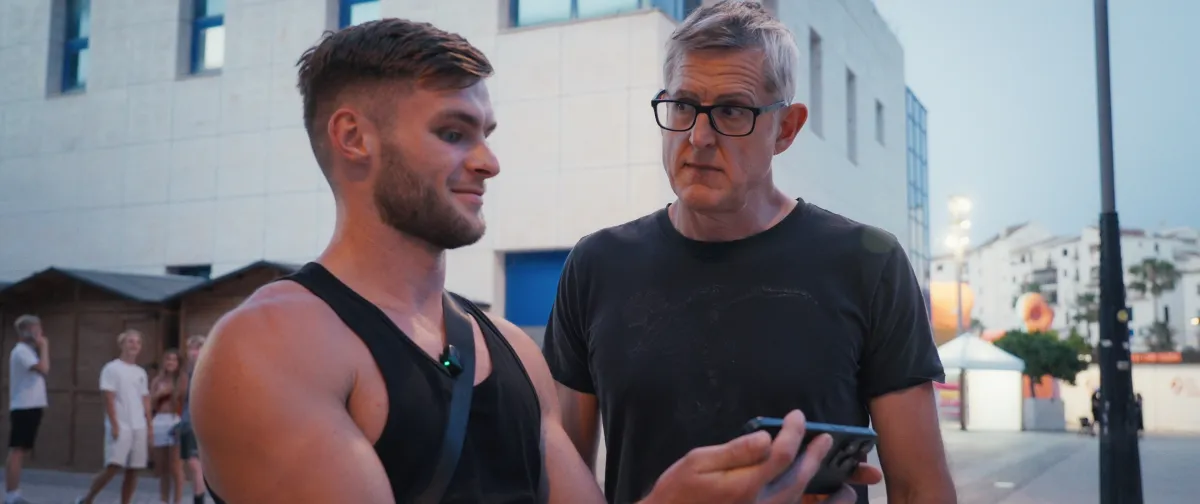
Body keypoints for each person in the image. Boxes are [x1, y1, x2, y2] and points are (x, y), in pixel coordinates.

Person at [188, 17, 879, 504]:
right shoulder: (270, 347)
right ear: (353, 137)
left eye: (485, 133)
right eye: (453, 133)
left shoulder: (511, 351)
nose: (488, 162)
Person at [541, 2, 955, 504]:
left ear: (786, 128)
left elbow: (920, 488)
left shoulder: (869, 265)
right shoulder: (596, 266)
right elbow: (558, 485)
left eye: (732, 111)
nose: (698, 137)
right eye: (683, 106)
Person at [75, 330, 152, 504]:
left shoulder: (140, 372)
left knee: (134, 469)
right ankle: (88, 498)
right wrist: (114, 424)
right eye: (130, 341)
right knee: (113, 466)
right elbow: (108, 397)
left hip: (138, 425)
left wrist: (149, 426)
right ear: (122, 344)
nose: (134, 345)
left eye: (137, 342)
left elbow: (145, 399)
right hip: (121, 424)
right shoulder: (112, 368)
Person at [6, 315, 49, 504]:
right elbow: (44, 368)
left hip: (32, 406)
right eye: (36, 329)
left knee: (21, 450)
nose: (40, 333)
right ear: (27, 331)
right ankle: (11, 494)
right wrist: (44, 346)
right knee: (17, 450)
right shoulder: (21, 351)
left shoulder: (28, 351)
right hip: (24, 406)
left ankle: (15, 492)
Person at [175, 336, 210, 504]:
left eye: (198, 348)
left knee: (196, 465)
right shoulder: (187, 372)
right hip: (189, 423)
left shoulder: (207, 371)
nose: (194, 352)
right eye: (191, 348)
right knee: (195, 465)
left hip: (198, 423)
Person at [150, 350, 187, 504]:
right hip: (159, 421)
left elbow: (185, 401)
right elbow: (150, 403)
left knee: (175, 466)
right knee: (162, 467)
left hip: (175, 420)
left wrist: (173, 392)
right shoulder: (157, 380)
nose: (170, 362)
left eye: (174, 360)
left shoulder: (182, 379)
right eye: (168, 359)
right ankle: (163, 500)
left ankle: (177, 501)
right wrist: (159, 395)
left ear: (178, 363)